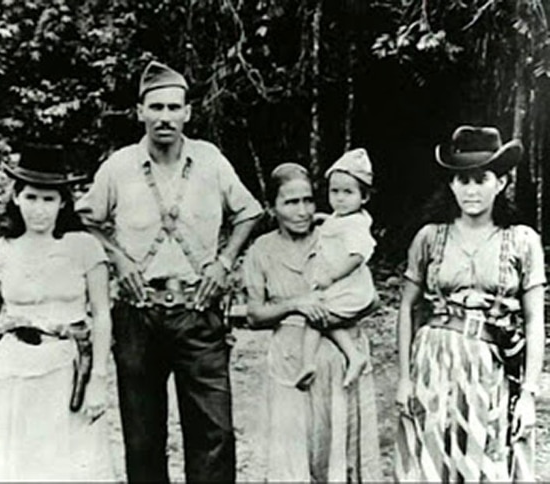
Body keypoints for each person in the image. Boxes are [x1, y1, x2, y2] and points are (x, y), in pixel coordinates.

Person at [76, 60, 262, 482]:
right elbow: (86, 217)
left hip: (199, 310)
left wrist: (225, 260)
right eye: (155, 107)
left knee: (214, 433)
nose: (164, 117)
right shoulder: (119, 165)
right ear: (139, 111)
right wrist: (118, 258)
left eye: (173, 107)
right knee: (142, 438)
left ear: (187, 113)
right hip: (138, 314)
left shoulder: (211, 160)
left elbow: (249, 211)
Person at [394, 126, 545, 482]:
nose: (472, 190)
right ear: (451, 185)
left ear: (502, 183)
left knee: (486, 462)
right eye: (463, 180)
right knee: (432, 464)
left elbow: (534, 319)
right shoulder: (430, 238)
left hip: (491, 370)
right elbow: (406, 309)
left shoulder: (522, 241)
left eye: (482, 179)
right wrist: (404, 378)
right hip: (433, 366)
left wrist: (528, 394)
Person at [0, 144, 115, 481]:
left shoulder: (84, 248)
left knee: (64, 464)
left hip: (67, 372)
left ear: (63, 202)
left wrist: (99, 379)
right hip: (12, 372)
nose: (39, 209)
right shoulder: (1, 252)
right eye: (31, 197)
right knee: (14, 463)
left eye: (49, 199)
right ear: (16, 198)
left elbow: (101, 315)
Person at [243, 163, 383, 482]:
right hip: (291, 365)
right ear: (272, 207)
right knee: (293, 458)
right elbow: (254, 314)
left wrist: (336, 308)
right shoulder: (261, 250)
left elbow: (370, 298)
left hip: (341, 364)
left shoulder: (335, 235)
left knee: (337, 456)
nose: (303, 210)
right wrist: (296, 305)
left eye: (308, 200)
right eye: (291, 202)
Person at [296, 149, 379, 390]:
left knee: (317, 319)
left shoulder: (356, 225)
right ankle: (346, 357)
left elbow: (357, 256)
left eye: (348, 192)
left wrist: (331, 276)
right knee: (322, 318)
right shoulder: (343, 218)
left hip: (348, 284)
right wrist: (324, 218)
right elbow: (335, 227)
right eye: (335, 191)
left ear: (363, 198)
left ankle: (314, 362)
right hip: (339, 285)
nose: (340, 198)